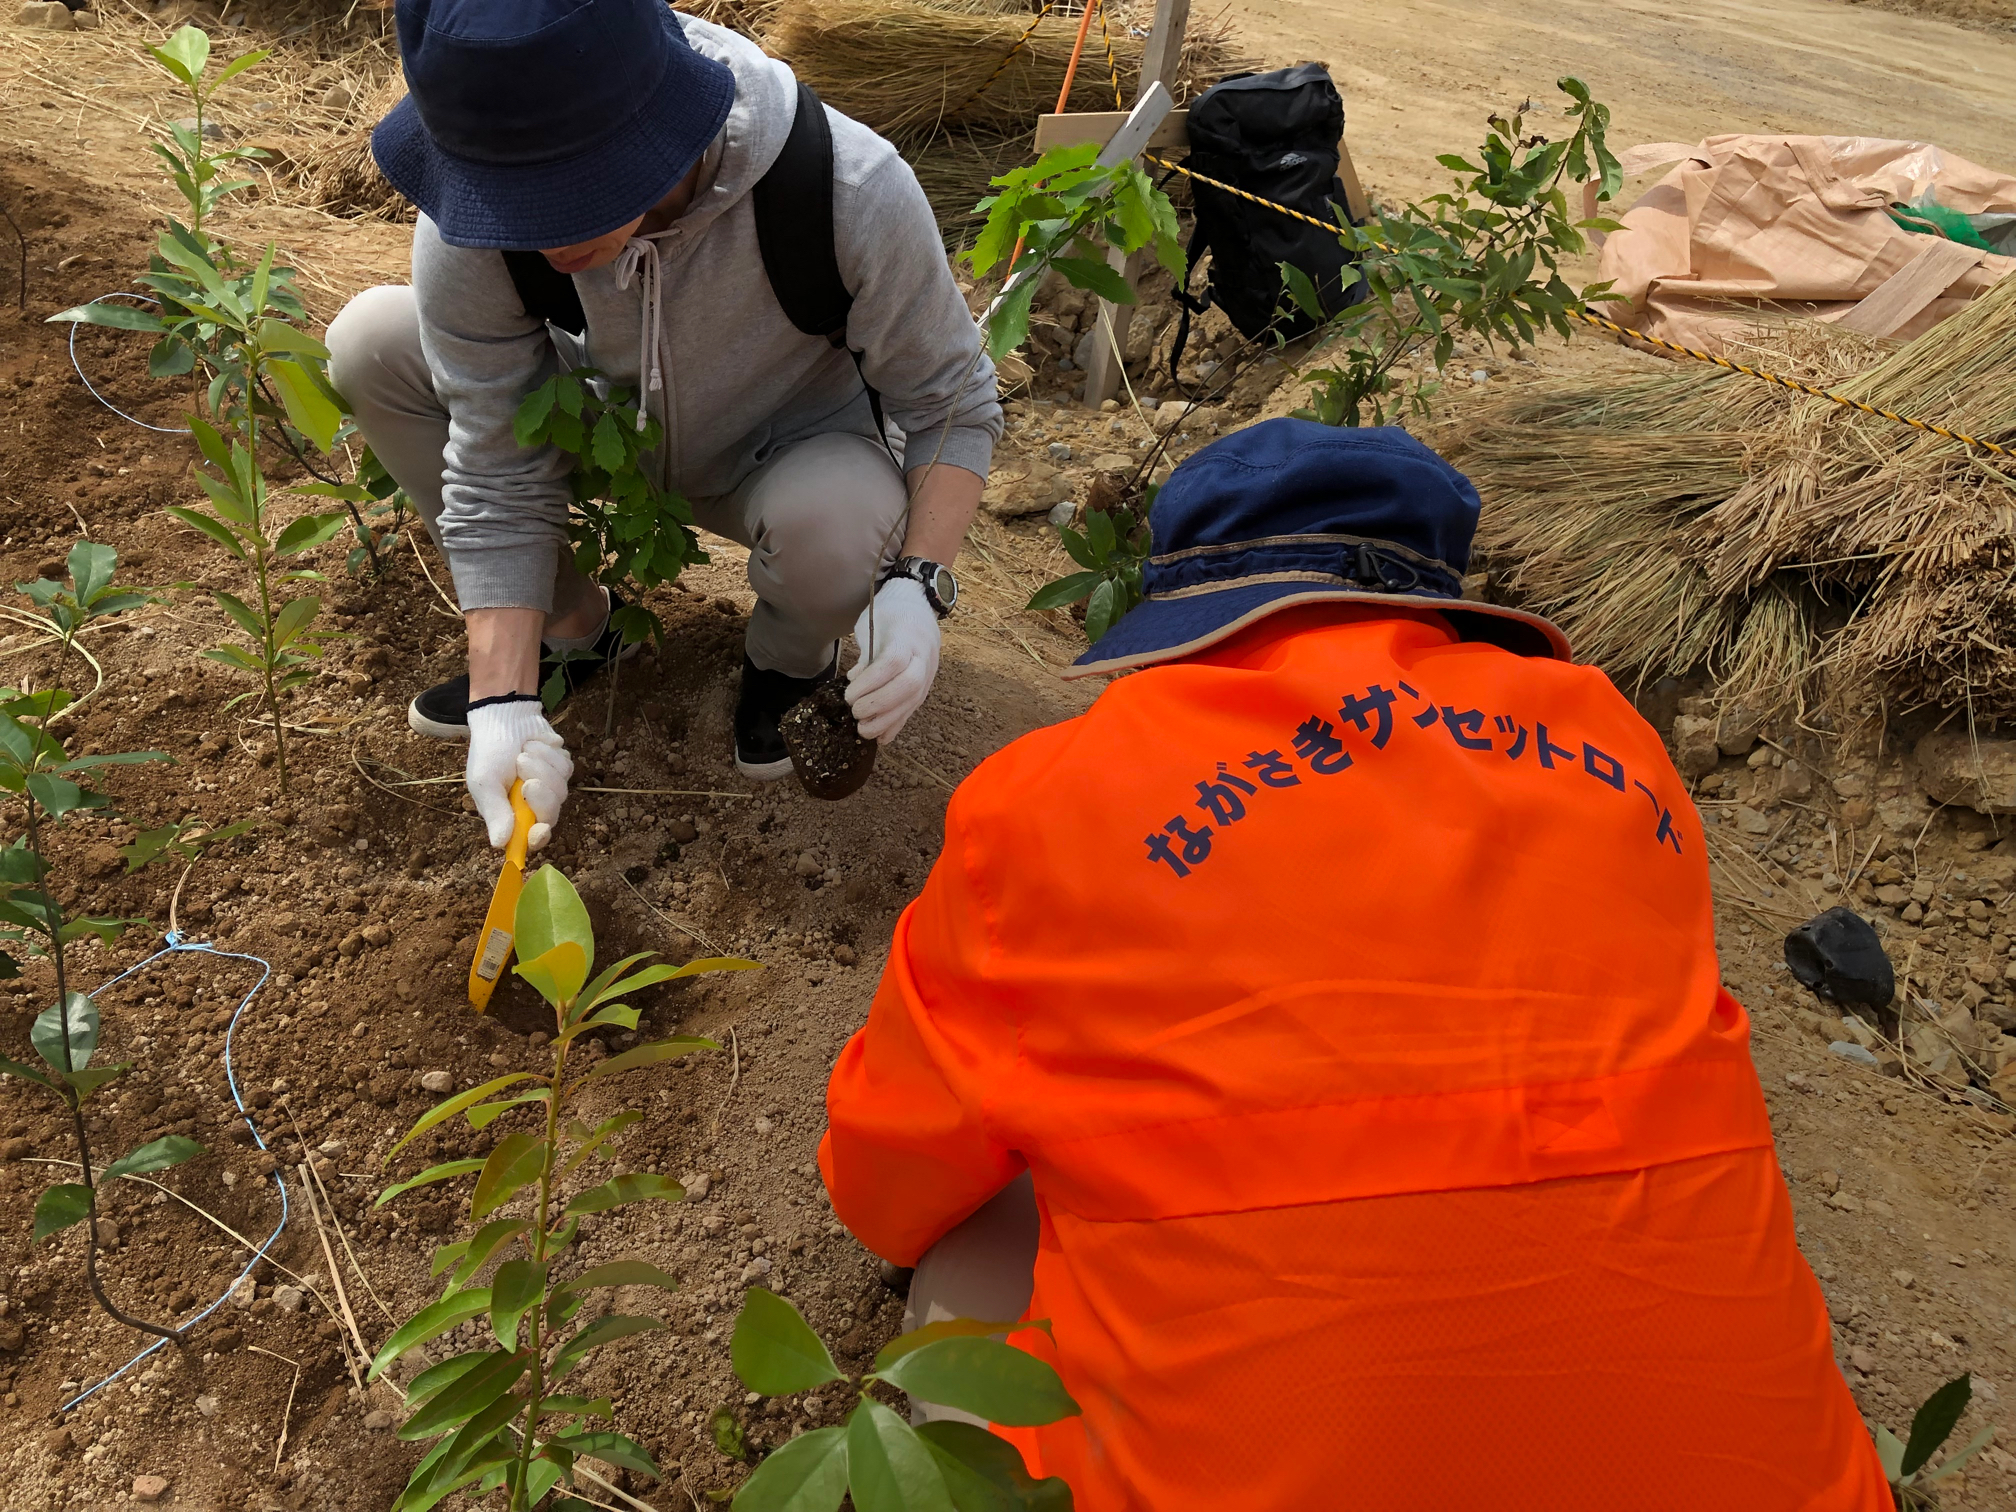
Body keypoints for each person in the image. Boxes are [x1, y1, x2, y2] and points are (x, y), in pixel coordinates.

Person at [819, 420, 1890, 1511]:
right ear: (1444, 603)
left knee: (972, 1249)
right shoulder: (1622, 758)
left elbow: (887, 1183)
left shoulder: (1049, 801)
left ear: (1185, 609)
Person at [326, 0, 997, 853]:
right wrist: (504, 700)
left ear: (653, 134)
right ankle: (572, 631)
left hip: (782, 453)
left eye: (559, 200)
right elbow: (494, 457)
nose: (524, 232)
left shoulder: (846, 187)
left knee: (837, 531)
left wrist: (919, 581)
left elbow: (949, 400)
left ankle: (787, 664)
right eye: (502, 200)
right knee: (372, 340)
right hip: (601, 426)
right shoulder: (480, 214)